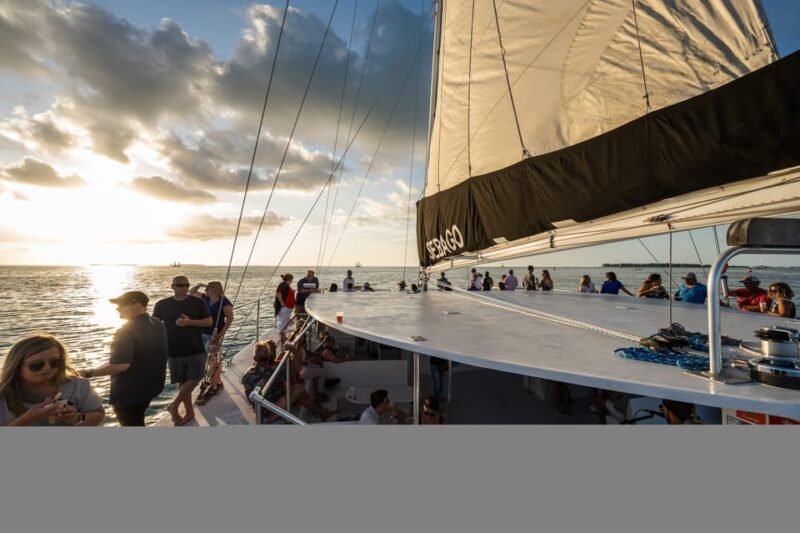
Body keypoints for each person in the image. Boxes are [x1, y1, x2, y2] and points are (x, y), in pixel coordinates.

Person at [82, 291, 167, 426]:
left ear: (137, 305)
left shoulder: (126, 330)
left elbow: (121, 365)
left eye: (121, 304)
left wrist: (86, 373)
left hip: (129, 394)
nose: (117, 308)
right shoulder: (158, 323)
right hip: (151, 388)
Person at [1, 334, 105, 426]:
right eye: (37, 364)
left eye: (54, 362)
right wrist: (27, 419)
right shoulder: (3, 395)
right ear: (16, 366)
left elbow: (99, 415)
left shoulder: (78, 386)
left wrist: (76, 418)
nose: (47, 368)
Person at [153, 275, 212, 426]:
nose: (185, 287)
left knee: (197, 377)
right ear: (172, 287)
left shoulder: (197, 302)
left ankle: (174, 404)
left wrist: (190, 322)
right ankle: (189, 412)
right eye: (180, 285)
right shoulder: (162, 304)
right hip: (173, 350)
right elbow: (156, 326)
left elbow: (209, 321)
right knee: (183, 382)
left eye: (187, 285)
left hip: (195, 348)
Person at [192, 280, 233, 402]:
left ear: (214, 289)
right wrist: (199, 284)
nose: (205, 290)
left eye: (207, 288)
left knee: (212, 360)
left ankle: (213, 386)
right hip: (203, 333)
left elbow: (230, 319)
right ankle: (218, 382)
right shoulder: (205, 298)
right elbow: (191, 292)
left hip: (215, 335)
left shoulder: (224, 302)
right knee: (210, 360)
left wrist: (221, 333)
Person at [275, 274, 296, 341]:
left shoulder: (287, 285)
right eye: (291, 280)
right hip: (285, 307)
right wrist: (282, 303)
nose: (292, 281)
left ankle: (283, 336)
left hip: (288, 307)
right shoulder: (283, 285)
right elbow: (278, 294)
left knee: (286, 322)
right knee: (283, 322)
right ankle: (281, 336)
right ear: (289, 279)